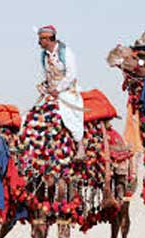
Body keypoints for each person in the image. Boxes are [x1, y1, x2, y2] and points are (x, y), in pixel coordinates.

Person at [36, 25, 85, 159]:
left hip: (67, 91)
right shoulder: (44, 56)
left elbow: (71, 74)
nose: (39, 42)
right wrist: (44, 86)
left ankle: (80, 146)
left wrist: (58, 89)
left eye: (41, 39)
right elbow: (46, 75)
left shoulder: (66, 52)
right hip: (51, 93)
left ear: (48, 39)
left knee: (69, 115)